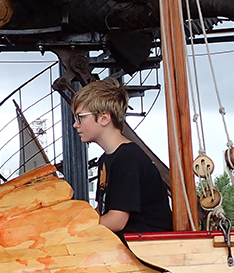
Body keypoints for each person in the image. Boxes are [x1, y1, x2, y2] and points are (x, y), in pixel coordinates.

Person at [72, 78, 172, 235]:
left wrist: (73, 229)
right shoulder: (106, 160)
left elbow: (117, 221)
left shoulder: (127, 158)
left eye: (80, 117)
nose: (75, 124)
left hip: (145, 244)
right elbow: (101, 210)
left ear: (104, 118)